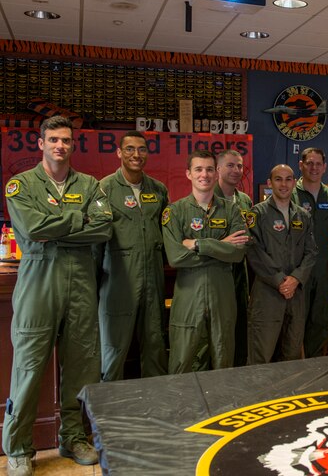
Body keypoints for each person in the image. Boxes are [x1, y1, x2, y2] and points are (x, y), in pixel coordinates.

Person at [3, 115, 112, 474]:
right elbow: (32, 229)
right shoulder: (21, 185)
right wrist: (78, 219)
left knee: (81, 364)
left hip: (80, 280)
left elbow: (104, 229)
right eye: (53, 140)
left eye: (65, 140)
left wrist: (58, 228)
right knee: (29, 365)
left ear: (73, 144)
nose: (60, 146)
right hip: (39, 281)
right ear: (41, 143)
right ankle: (18, 446)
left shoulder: (91, 185)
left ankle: (73, 437)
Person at [163, 150, 249, 374]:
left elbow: (238, 252)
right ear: (188, 174)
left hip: (222, 296)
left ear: (216, 172)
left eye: (209, 169)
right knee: (182, 360)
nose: (205, 174)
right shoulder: (175, 211)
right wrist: (221, 246)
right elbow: (176, 257)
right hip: (189, 297)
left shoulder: (231, 210)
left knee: (223, 360)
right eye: (198, 169)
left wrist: (200, 244)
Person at [97, 130, 168, 381]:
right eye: (129, 149)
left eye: (141, 149)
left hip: (153, 278)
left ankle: (156, 402)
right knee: (113, 345)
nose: (136, 154)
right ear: (119, 153)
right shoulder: (104, 188)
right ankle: (107, 410)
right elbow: (95, 240)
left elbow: (166, 232)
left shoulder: (158, 190)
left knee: (155, 342)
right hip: (118, 278)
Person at [245, 164, 318, 364]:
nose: (283, 184)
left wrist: (295, 279)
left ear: (294, 183)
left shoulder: (303, 215)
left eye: (288, 179)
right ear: (270, 183)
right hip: (267, 293)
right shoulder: (256, 214)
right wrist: (279, 281)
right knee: (261, 354)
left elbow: (312, 252)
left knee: (292, 353)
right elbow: (254, 251)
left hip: (296, 294)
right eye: (278, 179)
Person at [292, 148, 328, 357]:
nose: (313, 168)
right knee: (296, 318)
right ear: (301, 165)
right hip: (295, 268)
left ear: (325, 167)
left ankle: (315, 363)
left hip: (323, 268)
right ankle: (294, 365)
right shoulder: (290, 193)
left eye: (318, 164)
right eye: (309, 163)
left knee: (321, 319)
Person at [214, 149, 253, 366]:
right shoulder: (209, 197)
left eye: (239, 166)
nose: (236, 170)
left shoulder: (245, 200)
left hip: (242, 271)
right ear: (218, 169)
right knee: (219, 329)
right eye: (230, 165)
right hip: (218, 271)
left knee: (240, 323)